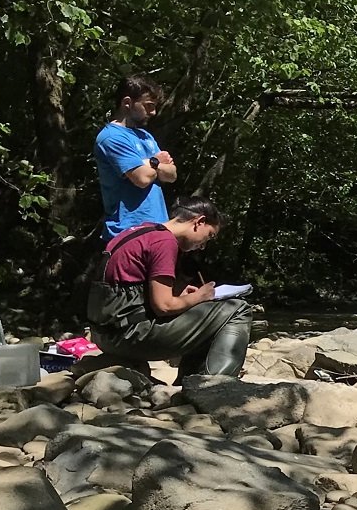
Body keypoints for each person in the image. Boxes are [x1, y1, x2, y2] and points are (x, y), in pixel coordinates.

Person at [86, 197, 249, 382]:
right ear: (199, 222)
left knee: (206, 315)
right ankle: (215, 387)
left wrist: (184, 298)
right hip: (128, 338)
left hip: (104, 335)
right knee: (238, 309)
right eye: (209, 236)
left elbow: (134, 293)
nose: (203, 246)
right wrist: (201, 296)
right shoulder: (164, 242)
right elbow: (164, 306)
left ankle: (190, 383)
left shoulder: (140, 232)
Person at [95, 73, 177, 240]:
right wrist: (155, 162)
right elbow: (142, 178)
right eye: (148, 106)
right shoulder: (111, 137)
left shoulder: (145, 136)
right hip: (128, 232)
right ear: (127, 103)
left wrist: (148, 164)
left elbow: (172, 174)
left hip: (159, 229)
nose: (153, 112)